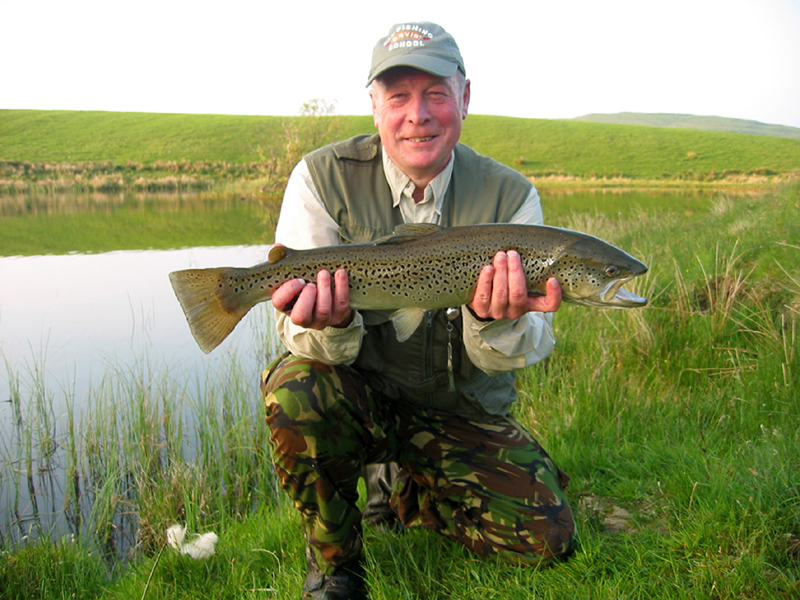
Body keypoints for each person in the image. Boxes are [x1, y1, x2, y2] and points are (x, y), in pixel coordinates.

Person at [261, 21, 576, 600]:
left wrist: (495, 319)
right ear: (374, 105)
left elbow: (526, 348)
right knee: (296, 385)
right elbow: (295, 333)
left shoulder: (512, 198)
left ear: (465, 97)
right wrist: (333, 324)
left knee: (547, 539)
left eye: (435, 94)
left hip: (459, 411)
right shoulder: (321, 178)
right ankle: (336, 565)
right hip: (365, 400)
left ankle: (409, 488)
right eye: (398, 97)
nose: (418, 115)